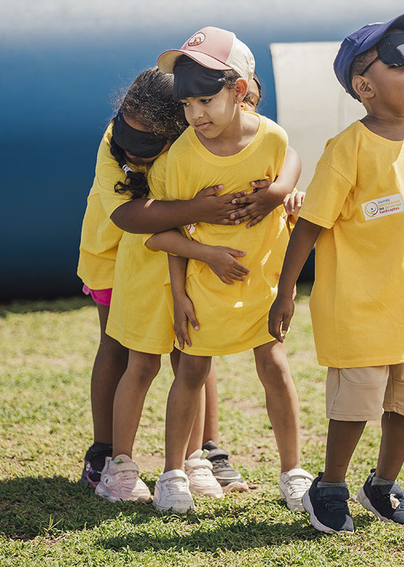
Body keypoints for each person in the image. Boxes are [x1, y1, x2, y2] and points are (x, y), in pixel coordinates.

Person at [267, 13, 404, 534]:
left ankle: (381, 485)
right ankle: (328, 486)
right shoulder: (347, 149)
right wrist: (285, 293)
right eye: (402, 60)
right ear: (365, 85)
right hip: (356, 309)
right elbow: (309, 226)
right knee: (355, 408)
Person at [144, 26, 312, 513]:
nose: (194, 115)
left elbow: (290, 178)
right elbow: (170, 234)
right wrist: (179, 294)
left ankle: (293, 474)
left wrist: (286, 289)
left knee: (275, 367)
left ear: (238, 91)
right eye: (186, 105)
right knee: (192, 371)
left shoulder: (273, 139)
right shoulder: (181, 156)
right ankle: (173, 474)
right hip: (203, 290)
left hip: (263, 287)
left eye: (204, 101)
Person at [76, 67, 261, 500]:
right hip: (113, 252)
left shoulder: (197, 135)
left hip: (183, 253)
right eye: (124, 127)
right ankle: (106, 453)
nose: (128, 145)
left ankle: (206, 452)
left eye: (145, 139)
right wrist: (197, 208)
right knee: (118, 346)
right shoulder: (113, 141)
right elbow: (128, 216)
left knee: (194, 347)